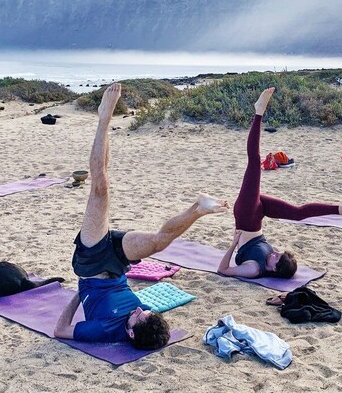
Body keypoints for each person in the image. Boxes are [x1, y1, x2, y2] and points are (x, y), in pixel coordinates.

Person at [54, 83, 228, 349]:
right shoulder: (146, 316)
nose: (138, 310)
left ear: (131, 334)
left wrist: (79, 293)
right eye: (143, 311)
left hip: (91, 266)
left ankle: (104, 118)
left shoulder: (104, 330)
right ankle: (197, 209)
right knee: (158, 242)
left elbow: (60, 330)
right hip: (117, 263)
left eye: (137, 316)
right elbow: (145, 312)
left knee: (100, 187)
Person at [218, 88, 342, 280]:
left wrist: (233, 243)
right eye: (279, 254)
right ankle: (341, 209)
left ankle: (259, 112)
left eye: (276, 259)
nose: (274, 254)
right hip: (257, 216)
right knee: (297, 213)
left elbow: (223, 270)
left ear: (273, 270)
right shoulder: (273, 259)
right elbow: (270, 253)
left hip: (246, 215)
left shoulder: (254, 269)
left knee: (254, 161)